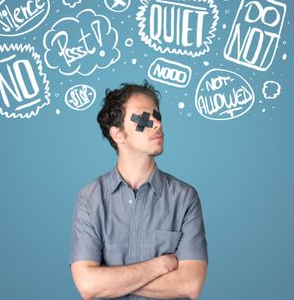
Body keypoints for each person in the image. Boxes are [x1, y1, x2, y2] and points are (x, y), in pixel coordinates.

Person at [69, 80, 208, 299]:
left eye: (157, 116)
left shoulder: (185, 198)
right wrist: (160, 265)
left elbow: (190, 284)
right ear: (118, 134)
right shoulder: (90, 199)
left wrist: (110, 279)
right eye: (144, 118)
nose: (157, 124)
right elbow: (88, 285)